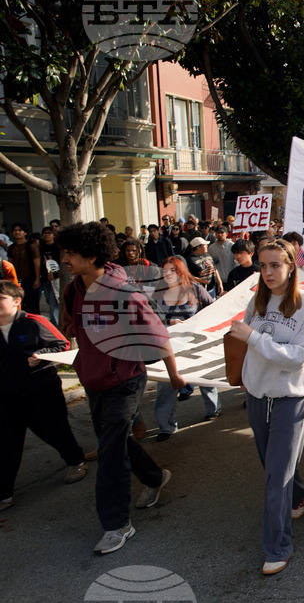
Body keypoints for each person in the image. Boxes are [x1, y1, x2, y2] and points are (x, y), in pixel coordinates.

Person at [58, 222, 185, 554]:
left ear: (91, 256)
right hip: (93, 380)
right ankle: (155, 477)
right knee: (115, 441)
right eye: (64, 253)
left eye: (70, 254)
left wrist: (174, 376)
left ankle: (116, 525)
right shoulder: (72, 290)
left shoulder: (124, 294)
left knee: (110, 454)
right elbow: (70, 326)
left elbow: (159, 336)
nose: (64, 259)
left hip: (125, 381)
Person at [228, 239, 304, 575]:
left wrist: (254, 338)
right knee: (272, 464)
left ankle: (277, 547)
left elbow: (296, 358)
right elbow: (243, 343)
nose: (268, 272)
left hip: (290, 398)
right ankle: (297, 496)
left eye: (275, 265)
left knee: (276, 477)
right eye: (263, 266)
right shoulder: (257, 301)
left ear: (291, 267)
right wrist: (245, 373)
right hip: (257, 395)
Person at [0, 280, 87, 513]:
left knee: (55, 430)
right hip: (8, 394)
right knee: (7, 442)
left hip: (41, 390)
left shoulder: (34, 322)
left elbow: (63, 344)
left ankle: (76, 461)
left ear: (16, 302)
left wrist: (40, 355)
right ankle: (4, 494)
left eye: (0, 299)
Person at [153, 257, 219, 441]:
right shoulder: (158, 294)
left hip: (195, 345)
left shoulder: (195, 289)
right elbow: (151, 319)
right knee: (165, 386)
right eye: (165, 270)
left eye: (172, 270)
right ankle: (166, 427)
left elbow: (213, 311)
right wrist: (169, 322)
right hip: (168, 348)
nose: (167, 274)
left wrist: (195, 324)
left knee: (205, 379)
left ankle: (213, 409)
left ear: (181, 271)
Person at [8, 223, 41, 314]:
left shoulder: (31, 246)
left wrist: (37, 279)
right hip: (16, 280)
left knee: (32, 306)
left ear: (25, 233)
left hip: (31, 280)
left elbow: (37, 264)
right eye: (15, 230)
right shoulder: (11, 247)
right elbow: (9, 264)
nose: (17, 232)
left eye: (20, 230)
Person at [38, 227, 62, 325]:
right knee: (48, 300)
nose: (47, 235)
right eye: (44, 233)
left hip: (56, 279)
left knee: (54, 303)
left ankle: (56, 325)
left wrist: (56, 274)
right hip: (44, 278)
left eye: (49, 233)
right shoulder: (40, 248)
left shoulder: (58, 248)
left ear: (54, 235)